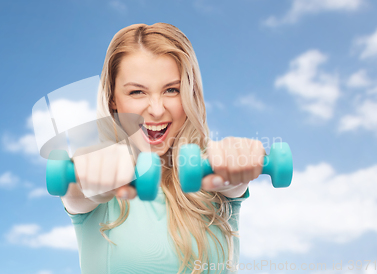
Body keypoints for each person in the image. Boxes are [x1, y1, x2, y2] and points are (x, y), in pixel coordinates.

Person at [60, 23, 265, 274]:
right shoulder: (97, 180)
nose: (156, 109)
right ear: (113, 98)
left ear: (190, 93)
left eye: (171, 90)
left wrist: (241, 157)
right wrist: (86, 170)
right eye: (137, 92)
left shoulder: (210, 175)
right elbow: (77, 191)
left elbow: (232, 182)